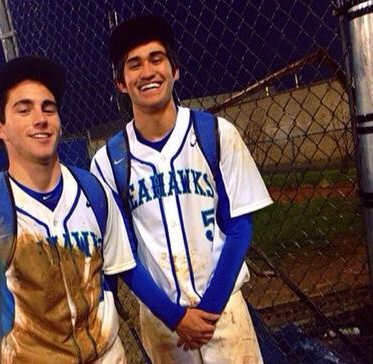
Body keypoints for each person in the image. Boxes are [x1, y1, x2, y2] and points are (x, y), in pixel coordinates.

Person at [0, 56, 214, 364]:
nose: (40, 118)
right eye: (24, 110)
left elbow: (114, 278)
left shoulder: (94, 192)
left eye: (48, 108)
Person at [91, 14, 273, 363]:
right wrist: (176, 317)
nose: (147, 72)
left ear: (175, 70)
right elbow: (122, 255)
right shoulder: (107, 162)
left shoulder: (218, 135)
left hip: (224, 314)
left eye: (157, 59)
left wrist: (208, 312)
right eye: (134, 64)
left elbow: (239, 226)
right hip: (162, 323)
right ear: (120, 82)